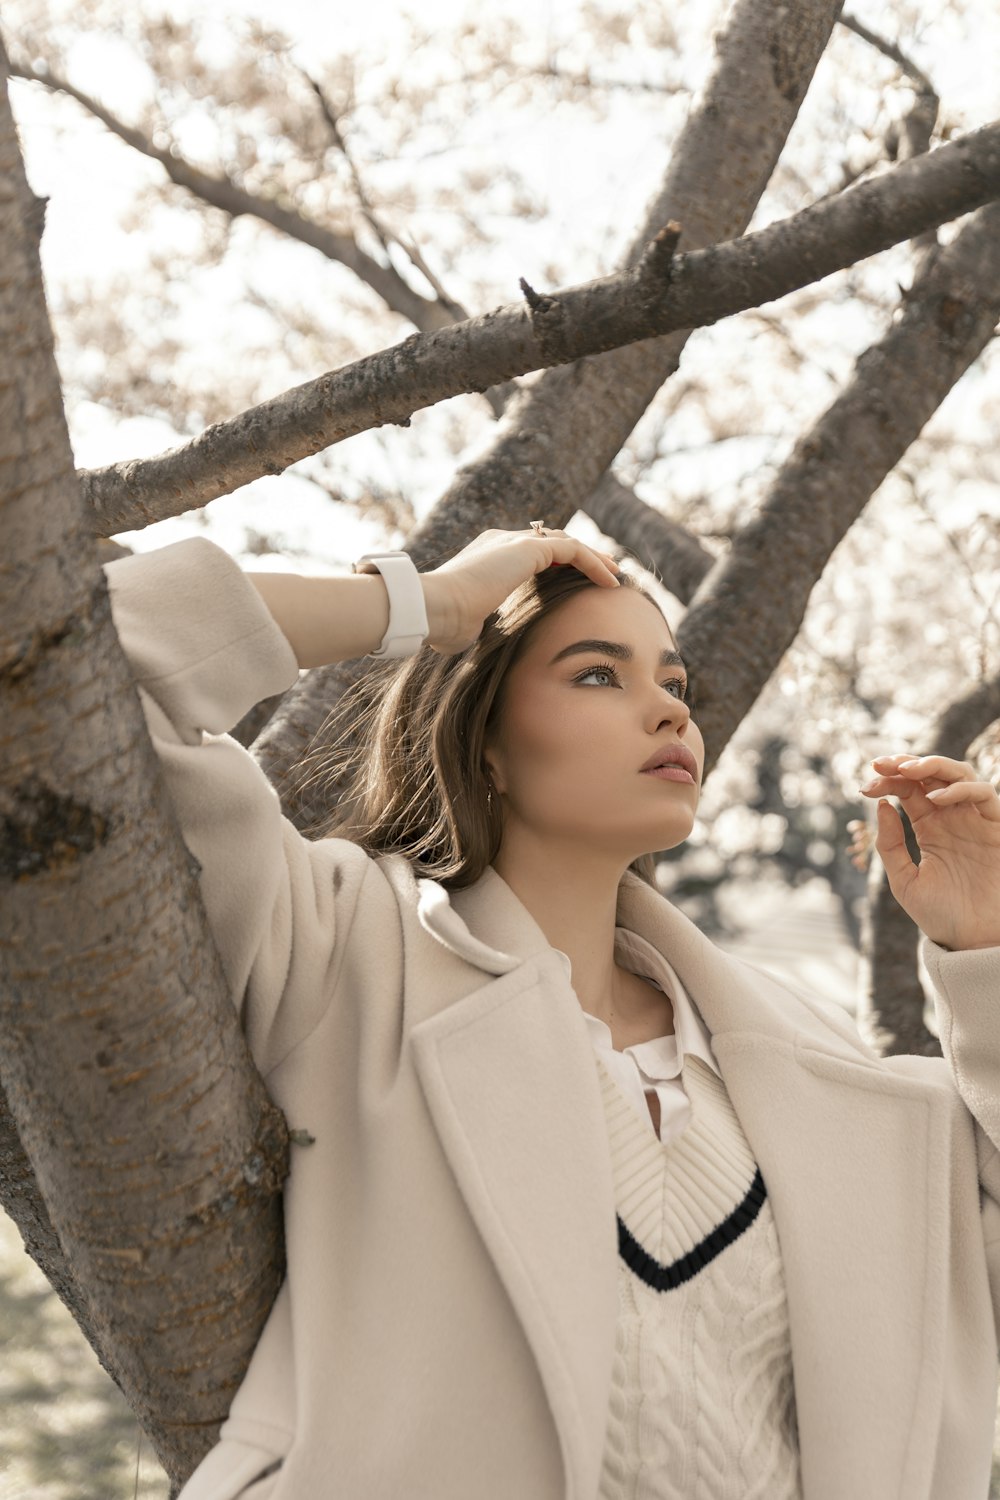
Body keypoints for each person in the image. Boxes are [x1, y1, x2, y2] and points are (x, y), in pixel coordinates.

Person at [102, 521, 1000, 1500]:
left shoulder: (822, 1073)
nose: (666, 712)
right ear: (484, 742)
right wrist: (425, 604)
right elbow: (85, 674)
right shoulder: (339, 952)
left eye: (674, 684)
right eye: (597, 675)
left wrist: (984, 947)